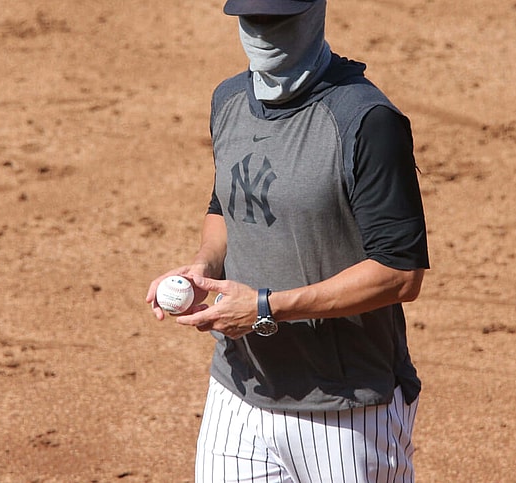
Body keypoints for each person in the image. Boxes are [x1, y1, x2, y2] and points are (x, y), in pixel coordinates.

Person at [145, 0, 429, 481]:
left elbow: (400, 274)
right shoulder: (229, 100)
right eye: (251, 19)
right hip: (237, 393)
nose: (262, 32)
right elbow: (227, 205)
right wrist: (204, 266)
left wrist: (264, 308)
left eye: (277, 20)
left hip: (345, 410)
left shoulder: (367, 121)